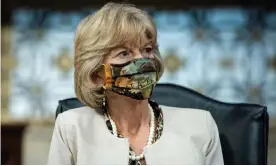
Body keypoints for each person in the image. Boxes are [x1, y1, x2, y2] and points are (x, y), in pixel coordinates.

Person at [48, 2, 224, 165]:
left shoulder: (201, 126)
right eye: (124, 53)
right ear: (96, 75)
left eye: (147, 50)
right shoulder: (71, 128)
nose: (143, 60)